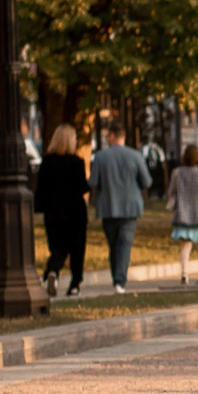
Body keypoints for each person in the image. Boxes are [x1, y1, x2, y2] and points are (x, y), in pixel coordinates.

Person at [89, 125, 149, 295]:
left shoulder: (100, 157)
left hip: (108, 207)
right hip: (130, 208)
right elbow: (146, 181)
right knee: (124, 244)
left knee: (113, 245)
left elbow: (93, 182)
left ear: (112, 136)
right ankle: (120, 281)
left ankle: (117, 277)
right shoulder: (135, 156)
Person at [36, 124, 89, 297]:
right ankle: (75, 284)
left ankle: (52, 272)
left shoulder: (47, 162)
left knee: (57, 249)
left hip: (53, 214)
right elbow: (82, 187)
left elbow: (40, 190)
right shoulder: (76, 162)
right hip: (75, 213)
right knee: (77, 249)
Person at [168, 144, 198, 283]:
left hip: (183, 213)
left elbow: (172, 191)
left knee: (185, 245)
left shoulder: (177, 173)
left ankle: (184, 273)